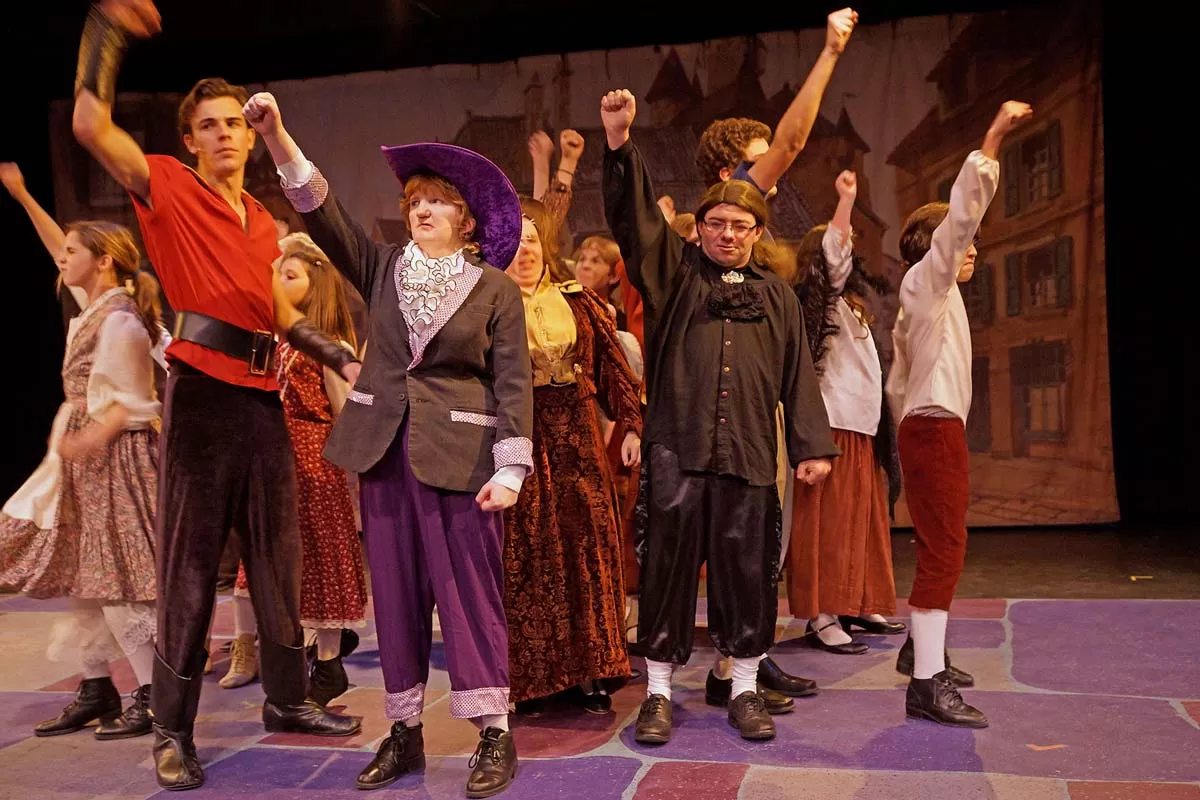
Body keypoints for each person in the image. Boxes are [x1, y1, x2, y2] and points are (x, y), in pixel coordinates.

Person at [70, 2, 363, 790]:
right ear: (191, 139)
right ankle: (171, 730)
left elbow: (280, 316)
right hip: (201, 398)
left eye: (235, 122)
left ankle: (288, 700)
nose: (226, 133)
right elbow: (91, 126)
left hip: (264, 401)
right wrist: (107, 33)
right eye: (210, 125)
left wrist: (338, 354)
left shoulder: (263, 221)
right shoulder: (166, 184)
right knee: (191, 571)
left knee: (278, 561)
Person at [246, 90, 532, 797]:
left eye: (438, 202)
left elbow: (512, 382)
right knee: (396, 600)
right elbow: (321, 212)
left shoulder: (496, 289)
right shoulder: (381, 268)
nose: (422, 211)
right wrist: (277, 136)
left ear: (467, 220)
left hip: (462, 460)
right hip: (384, 455)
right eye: (414, 201)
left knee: (470, 596)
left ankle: (494, 733)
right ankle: (404, 732)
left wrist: (511, 470)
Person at [600, 89, 840, 744]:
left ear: (757, 233)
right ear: (700, 228)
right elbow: (635, 222)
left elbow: (797, 375)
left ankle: (742, 690)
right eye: (716, 224)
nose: (727, 234)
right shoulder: (673, 278)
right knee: (666, 572)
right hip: (677, 455)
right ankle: (657, 695)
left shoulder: (777, 298)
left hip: (749, 458)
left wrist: (811, 446)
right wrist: (620, 143)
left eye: (739, 226)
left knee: (748, 574)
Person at [686, 6, 860, 705]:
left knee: (763, 540)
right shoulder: (721, 218)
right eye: (760, 161)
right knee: (742, 540)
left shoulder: (740, 235)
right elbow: (792, 139)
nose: (776, 173)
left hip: (758, 404)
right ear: (730, 168)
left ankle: (745, 658)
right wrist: (830, 52)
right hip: (719, 412)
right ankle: (734, 664)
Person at [1, 164, 161, 740]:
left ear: (105, 261)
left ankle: (153, 695)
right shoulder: (92, 306)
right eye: (65, 251)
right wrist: (24, 196)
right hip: (84, 460)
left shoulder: (120, 320)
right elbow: (57, 249)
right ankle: (98, 688)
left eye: (74, 252)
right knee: (81, 570)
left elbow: (131, 401)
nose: (63, 259)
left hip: (115, 460)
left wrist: (86, 440)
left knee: (116, 575)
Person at [886, 100, 1033, 728]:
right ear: (937, 245)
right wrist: (993, 138)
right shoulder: (928, 280)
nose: (974, 250)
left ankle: (921, 652)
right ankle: (926, 683)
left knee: (939, 545)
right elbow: (964, 210)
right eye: (964, 243)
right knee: (944, 549)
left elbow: (897, 382)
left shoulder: (929, 296)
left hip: (925, 428)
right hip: (932, 428)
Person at [502, 196, 642, 714]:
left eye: (532, 241)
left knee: (588, 541)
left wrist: (631, 424)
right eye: (514, 243)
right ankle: (537, 679)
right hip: (522, 429)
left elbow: (613, 366)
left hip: (578, 432)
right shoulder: (488, 305)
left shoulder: (578, 301)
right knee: (530, 547)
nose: (525, 251)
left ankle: (592, 671)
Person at [221, 233, 369, 706]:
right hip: (274, 459)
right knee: (270, 559)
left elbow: (346, 410)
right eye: (277, 275)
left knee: (322, 559)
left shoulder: (328, 345)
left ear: (314, 284)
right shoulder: (269, 342)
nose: (279, 284)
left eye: (290, 275)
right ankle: (269, 649)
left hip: (313, 463)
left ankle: (329, 664)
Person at [786, 170, 905, 655]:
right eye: (844, 245)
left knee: (863, 521)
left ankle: (859, 601)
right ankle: (823, 614)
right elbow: (834, 252)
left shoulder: (850, 306)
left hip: (861, 426)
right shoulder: (816, 302)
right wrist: (846, 201)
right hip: (831, 426)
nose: (850, 250)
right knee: (829, 525)